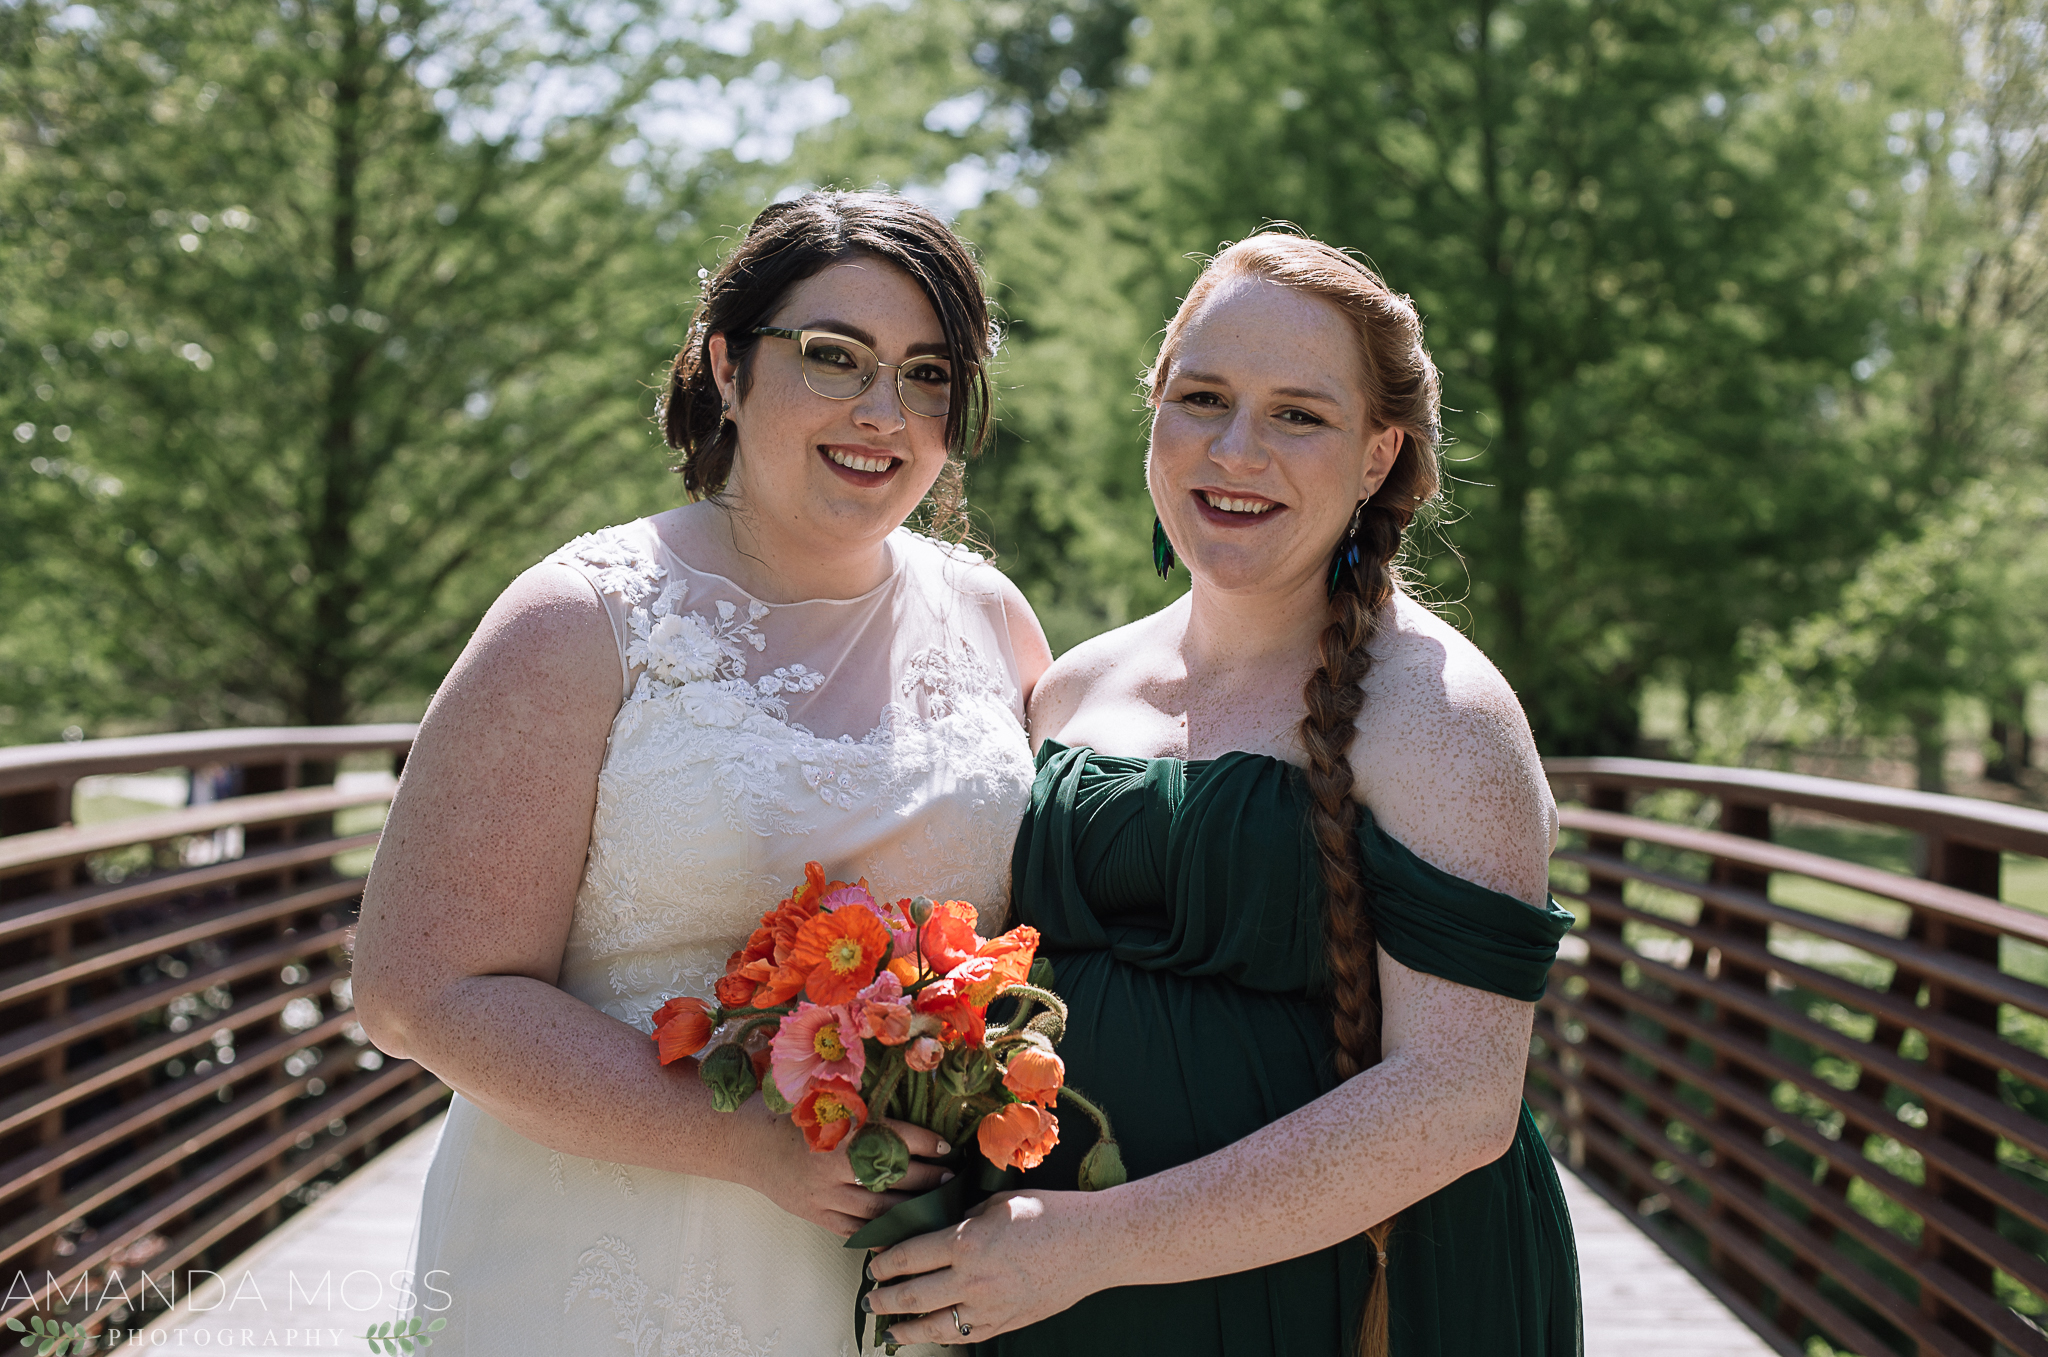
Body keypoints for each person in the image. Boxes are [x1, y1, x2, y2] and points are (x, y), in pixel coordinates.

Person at [350, 190, 1051, 1356]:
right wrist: (746, 1143)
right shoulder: (583, 620)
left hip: (918, 1277)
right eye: (834, 358)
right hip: (612, 1266)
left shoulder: (989, 617)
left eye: (927, 375)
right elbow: (418, 990)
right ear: (727, 365)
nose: (883, 413)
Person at [863, 232, 1581, 1355]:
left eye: (1298, 414)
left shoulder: (1441, 715)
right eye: (1202, 398)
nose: (1236, 449)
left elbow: (1454, 1103)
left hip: (1337, 1304)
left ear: (1377, 454)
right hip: (1053, 1303)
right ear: (1153, 414)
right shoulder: (1073, 687)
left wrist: (1091, 1244)